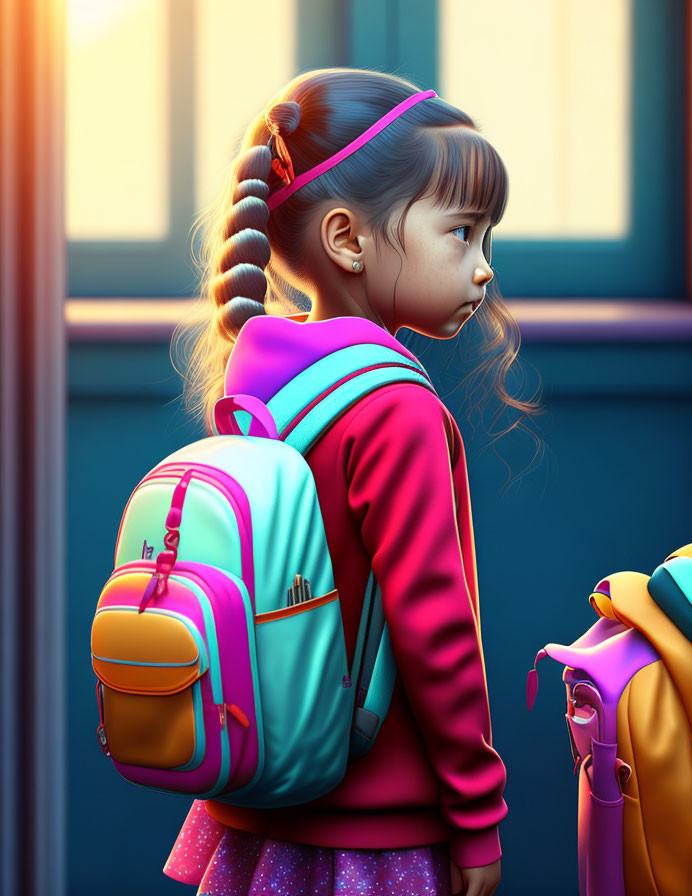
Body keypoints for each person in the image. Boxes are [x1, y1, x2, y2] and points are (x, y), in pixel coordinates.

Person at [164, 67, 543, 896]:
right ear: (347, 238)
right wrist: (479, 816)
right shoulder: (394, 408)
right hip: (372, 831)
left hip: (255, 802)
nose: (483, 269)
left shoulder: (257, 376)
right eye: (463, 233)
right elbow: (435, 631)